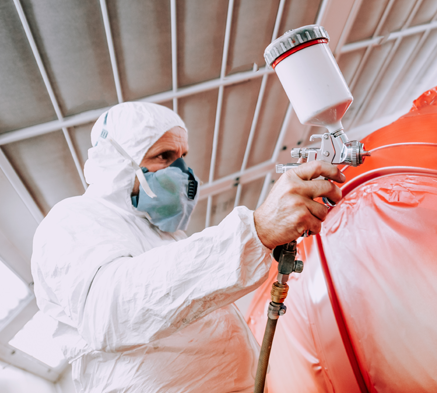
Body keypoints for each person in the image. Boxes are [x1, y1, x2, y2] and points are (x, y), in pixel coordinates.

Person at [31, 102, 344, 392]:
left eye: (182, 157)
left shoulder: (166, 238)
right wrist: (256, 231)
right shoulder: (73, 220)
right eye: (164, 157)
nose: (183, 174)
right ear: (119, 163)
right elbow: (111, 309)